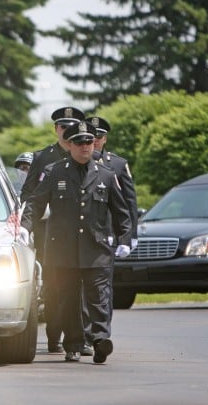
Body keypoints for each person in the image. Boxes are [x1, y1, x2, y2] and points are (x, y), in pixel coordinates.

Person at [30, 120, 132, 363]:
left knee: (100, 297)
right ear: (70, 145)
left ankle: (99, 340)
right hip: (63, 250)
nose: (86, 146)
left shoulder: (106, 175)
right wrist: (24, 228)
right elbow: (36, 204)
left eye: (89, 141)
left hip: (96, 249)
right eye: (80, 142)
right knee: (69, 300)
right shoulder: (55, 172)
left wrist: (125, 238)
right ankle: (74, 344)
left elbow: (121, 211)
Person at [20, 106, 86, 354]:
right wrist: (29, 226)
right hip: (50, 234)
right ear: (56, 129)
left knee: (80, 288)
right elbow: (29, 196)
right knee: (54, 288)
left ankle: (79, 339)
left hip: (81, 235)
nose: (67, 132)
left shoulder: (89, 157)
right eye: (62, 127)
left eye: (73, 127)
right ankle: (54, 336)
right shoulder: (43, 158)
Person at [78, 116, 139, 355]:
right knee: (84, 289)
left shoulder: (117, 164)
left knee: (102, 289)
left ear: (104, 139)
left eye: (100, 137)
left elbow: (128, 204)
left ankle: (101, 334)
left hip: (108, 237)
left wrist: (128, 236)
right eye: (92, 137)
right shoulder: (76, 163)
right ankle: (85, 334)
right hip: (86, 237)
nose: (96, 142)